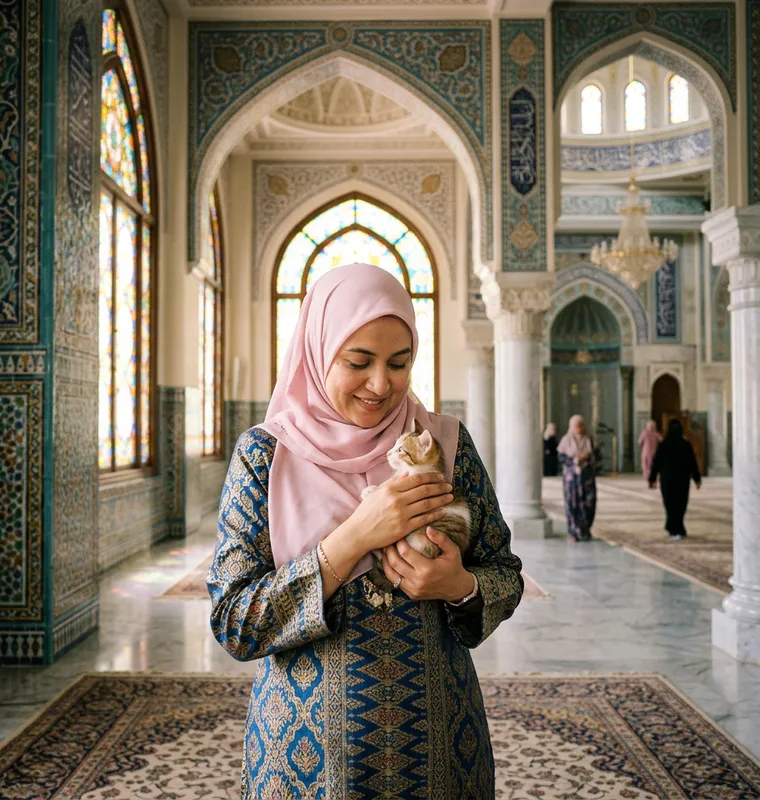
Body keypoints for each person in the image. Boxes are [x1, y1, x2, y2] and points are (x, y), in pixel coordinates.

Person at [207, 263, 524, 798]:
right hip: (305, 760)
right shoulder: (264, 455)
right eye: (358, 362)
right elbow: (236, 621)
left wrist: (456, 587)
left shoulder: (444, 445)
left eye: (399, 364)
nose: (382, 384)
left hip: (439, 751)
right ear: (317, 351)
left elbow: (505, 575)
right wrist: (352, 539)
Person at [649, 418, 701, 540]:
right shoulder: (685, 445)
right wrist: (697, 479)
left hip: (667, 480)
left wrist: (652, 478)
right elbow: (692, 463)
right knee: (680, 504)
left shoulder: (664, 445)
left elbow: (656, 462)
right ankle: (677, 527)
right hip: (682, 480)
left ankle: (673, 527)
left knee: (670, 504)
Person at [557, 415, 597, 542]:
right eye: (576, 426)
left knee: (589, 503)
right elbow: (561, 457)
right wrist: (575, 460)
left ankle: (585, 530)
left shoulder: (590, 439)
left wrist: (587, 457)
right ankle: (573, 532)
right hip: (572, 479)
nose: (579, 428)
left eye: (580, 425)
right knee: (572, 504)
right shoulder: (566, 440)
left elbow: (597, 455)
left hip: (587, 477)